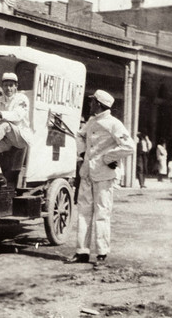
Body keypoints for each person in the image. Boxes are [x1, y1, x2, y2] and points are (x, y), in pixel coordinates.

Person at [68, 89, 134, 267]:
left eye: (92, 102)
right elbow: (79, 135)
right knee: (83, 212)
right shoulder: (91, 121)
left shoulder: (114, 124)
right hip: (87, 174)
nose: (90, 104)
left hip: (104, 176)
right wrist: (82, 152)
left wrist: (109, 158)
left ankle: (102, 253)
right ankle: (82, 252)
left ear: (98, 104)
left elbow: (129, 146)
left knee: (102, 213)